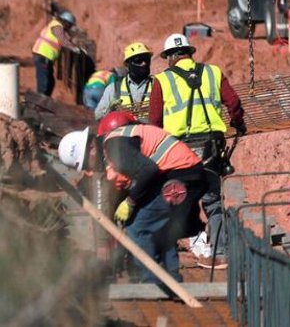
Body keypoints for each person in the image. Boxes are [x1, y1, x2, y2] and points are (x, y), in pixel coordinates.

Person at [58, 112, 208, 285]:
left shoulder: (114, 148)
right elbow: (105, 201)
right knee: (160, 226)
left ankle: (152, 284)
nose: (87, 169)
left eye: (85, 163)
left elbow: (148, 171)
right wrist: (103, 240)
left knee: (139, 226)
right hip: (184, 174)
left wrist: (131, 202)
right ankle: (170, 281)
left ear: (91, 146)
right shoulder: (111, 148)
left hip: (181, 176)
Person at [148, 33, 246, 267]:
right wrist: (238, 123)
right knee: (212, 201)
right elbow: (233, 102)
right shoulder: (213, 73)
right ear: (189, 53)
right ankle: (220, 252)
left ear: (170, 57)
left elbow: (154, 120)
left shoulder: (162, 81)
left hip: (178, 151)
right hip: (211, 147)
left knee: (175, 197)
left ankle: (167, 256)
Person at [94, 42, 154, 120]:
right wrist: (109, 111)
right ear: (127, 65)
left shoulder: (156, 85)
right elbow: (98, 115)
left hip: (150, 131)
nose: (144, 64)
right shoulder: (114, 89)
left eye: (147, 60)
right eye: (138, 61)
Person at [32, 10, 79, 96]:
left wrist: (72, 41)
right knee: (44, 84)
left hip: (46, 57)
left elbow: (66, 37)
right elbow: (63, 40)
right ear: (65, 22)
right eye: (70, 25)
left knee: (50, 83)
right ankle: (39, 104)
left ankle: (44, 102)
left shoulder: (58, 26)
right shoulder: (57, 26)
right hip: (43, 56)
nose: (70, 28)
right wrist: (73, 48)